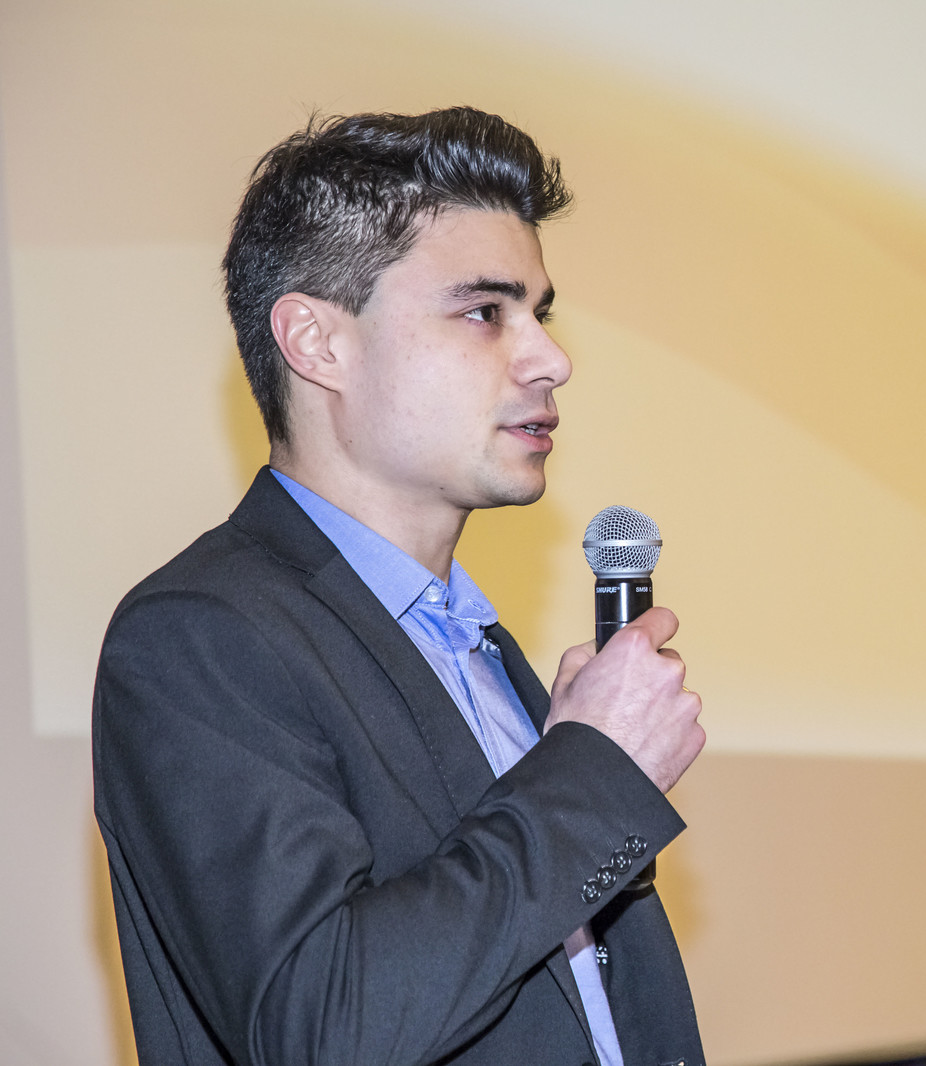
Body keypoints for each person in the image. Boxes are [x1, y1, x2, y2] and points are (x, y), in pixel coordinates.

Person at [92, 107, 706, 1066]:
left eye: (540, 314)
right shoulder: (198, 636)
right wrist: (593, 776)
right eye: (485, 312)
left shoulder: (474, 645)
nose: (552, 359)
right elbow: (322, 1025)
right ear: (317, 342)